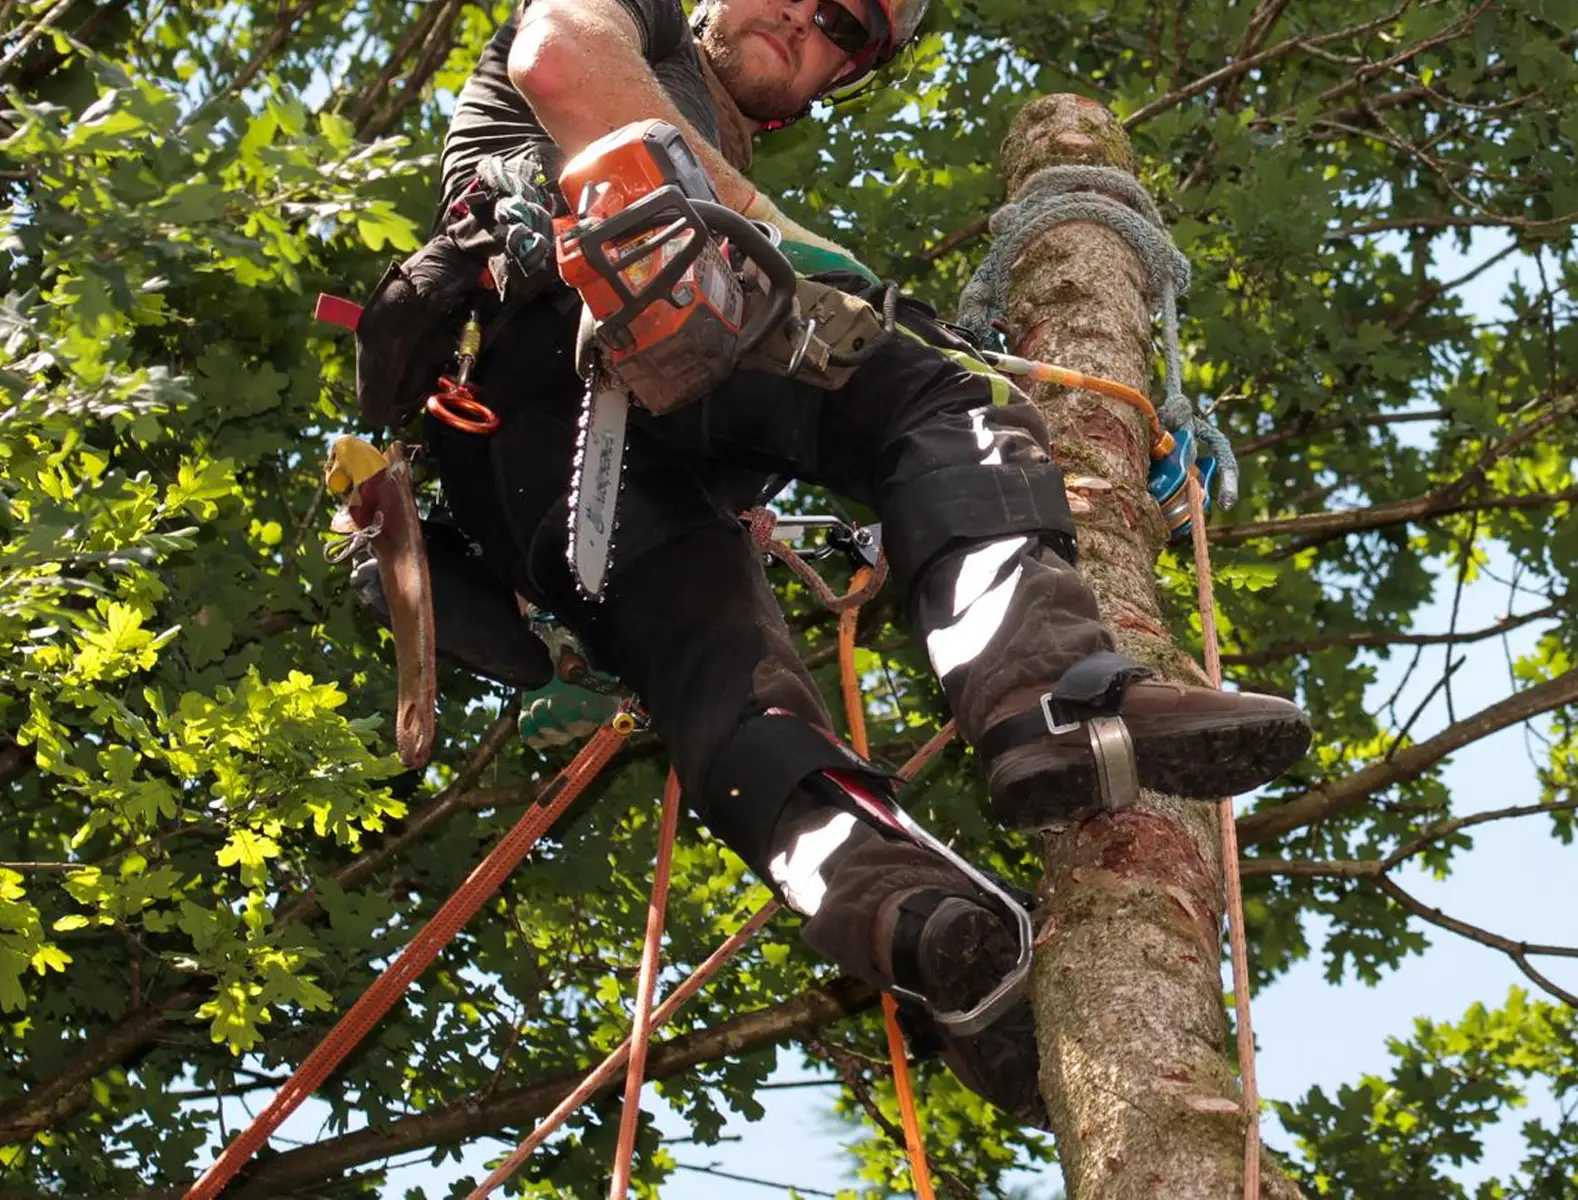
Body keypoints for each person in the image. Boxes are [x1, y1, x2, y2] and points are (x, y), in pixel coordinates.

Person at [365, 0, 1312, 1124]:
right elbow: (561, 60)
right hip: (560, 338)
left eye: (847, 28)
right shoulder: (634, 19)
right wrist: (872, 304)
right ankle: (1052, 699)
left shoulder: (728, 160)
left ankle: (917, 923)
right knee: (943, 394)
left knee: (731, 680)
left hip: (571, 477)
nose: (808, 20)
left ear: (842, 76)